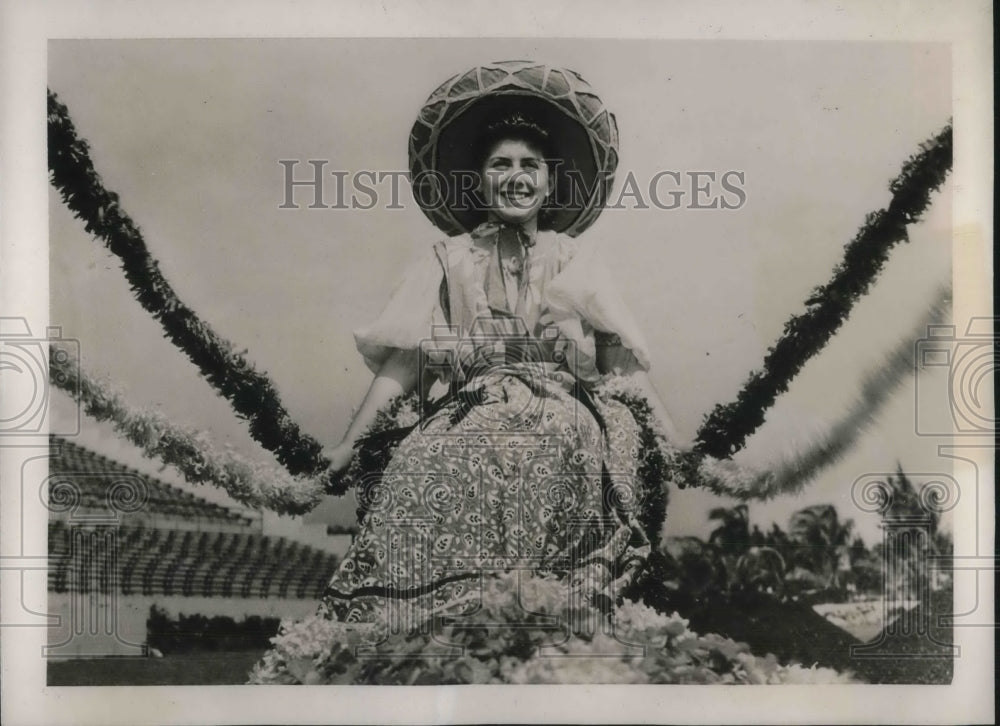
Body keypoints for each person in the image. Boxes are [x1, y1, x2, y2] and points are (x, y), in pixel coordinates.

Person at [315, 60, 680, 626]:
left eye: (530, 164)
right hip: (467, 408)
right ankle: (428, 622)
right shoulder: (449, 260)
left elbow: (619, 361)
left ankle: (556, 613)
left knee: (567, 440)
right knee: (420, 459)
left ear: (549, 180)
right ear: (479, 179)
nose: (517, 176)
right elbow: (404, 359)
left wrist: (674, 440)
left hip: (564, 408)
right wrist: (345, 444)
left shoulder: (572, 258)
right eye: (500, 164)